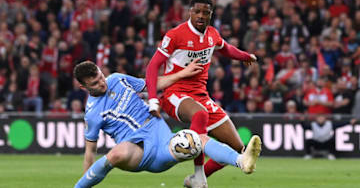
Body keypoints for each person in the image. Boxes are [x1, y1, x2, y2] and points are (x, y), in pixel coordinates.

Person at [73, 61, 261, 188]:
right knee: (116, 153)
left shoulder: (116, 79)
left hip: (162, 141)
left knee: (194, 140)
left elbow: (152, 84)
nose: (102, 83)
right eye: (95, 83)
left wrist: (182, 74)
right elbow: (90, 152)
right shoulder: (92, 114)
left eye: (100, 76)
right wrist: (84, 179)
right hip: (137, 151)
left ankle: (241, 161)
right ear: (83, 87)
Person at [145, 0, 257, 188]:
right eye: (197, 11)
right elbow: (153, 66)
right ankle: (200, 177)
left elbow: (226, 48)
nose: (201, 16)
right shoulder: (175, 35)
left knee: (238, 148)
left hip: (201, 96)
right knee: (200, 115)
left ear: (211, 14)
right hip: (174, 94)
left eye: (206, 12)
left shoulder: (212, 34)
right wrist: (153, 99)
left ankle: (198, 177)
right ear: (190, 12)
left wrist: (245, 56)